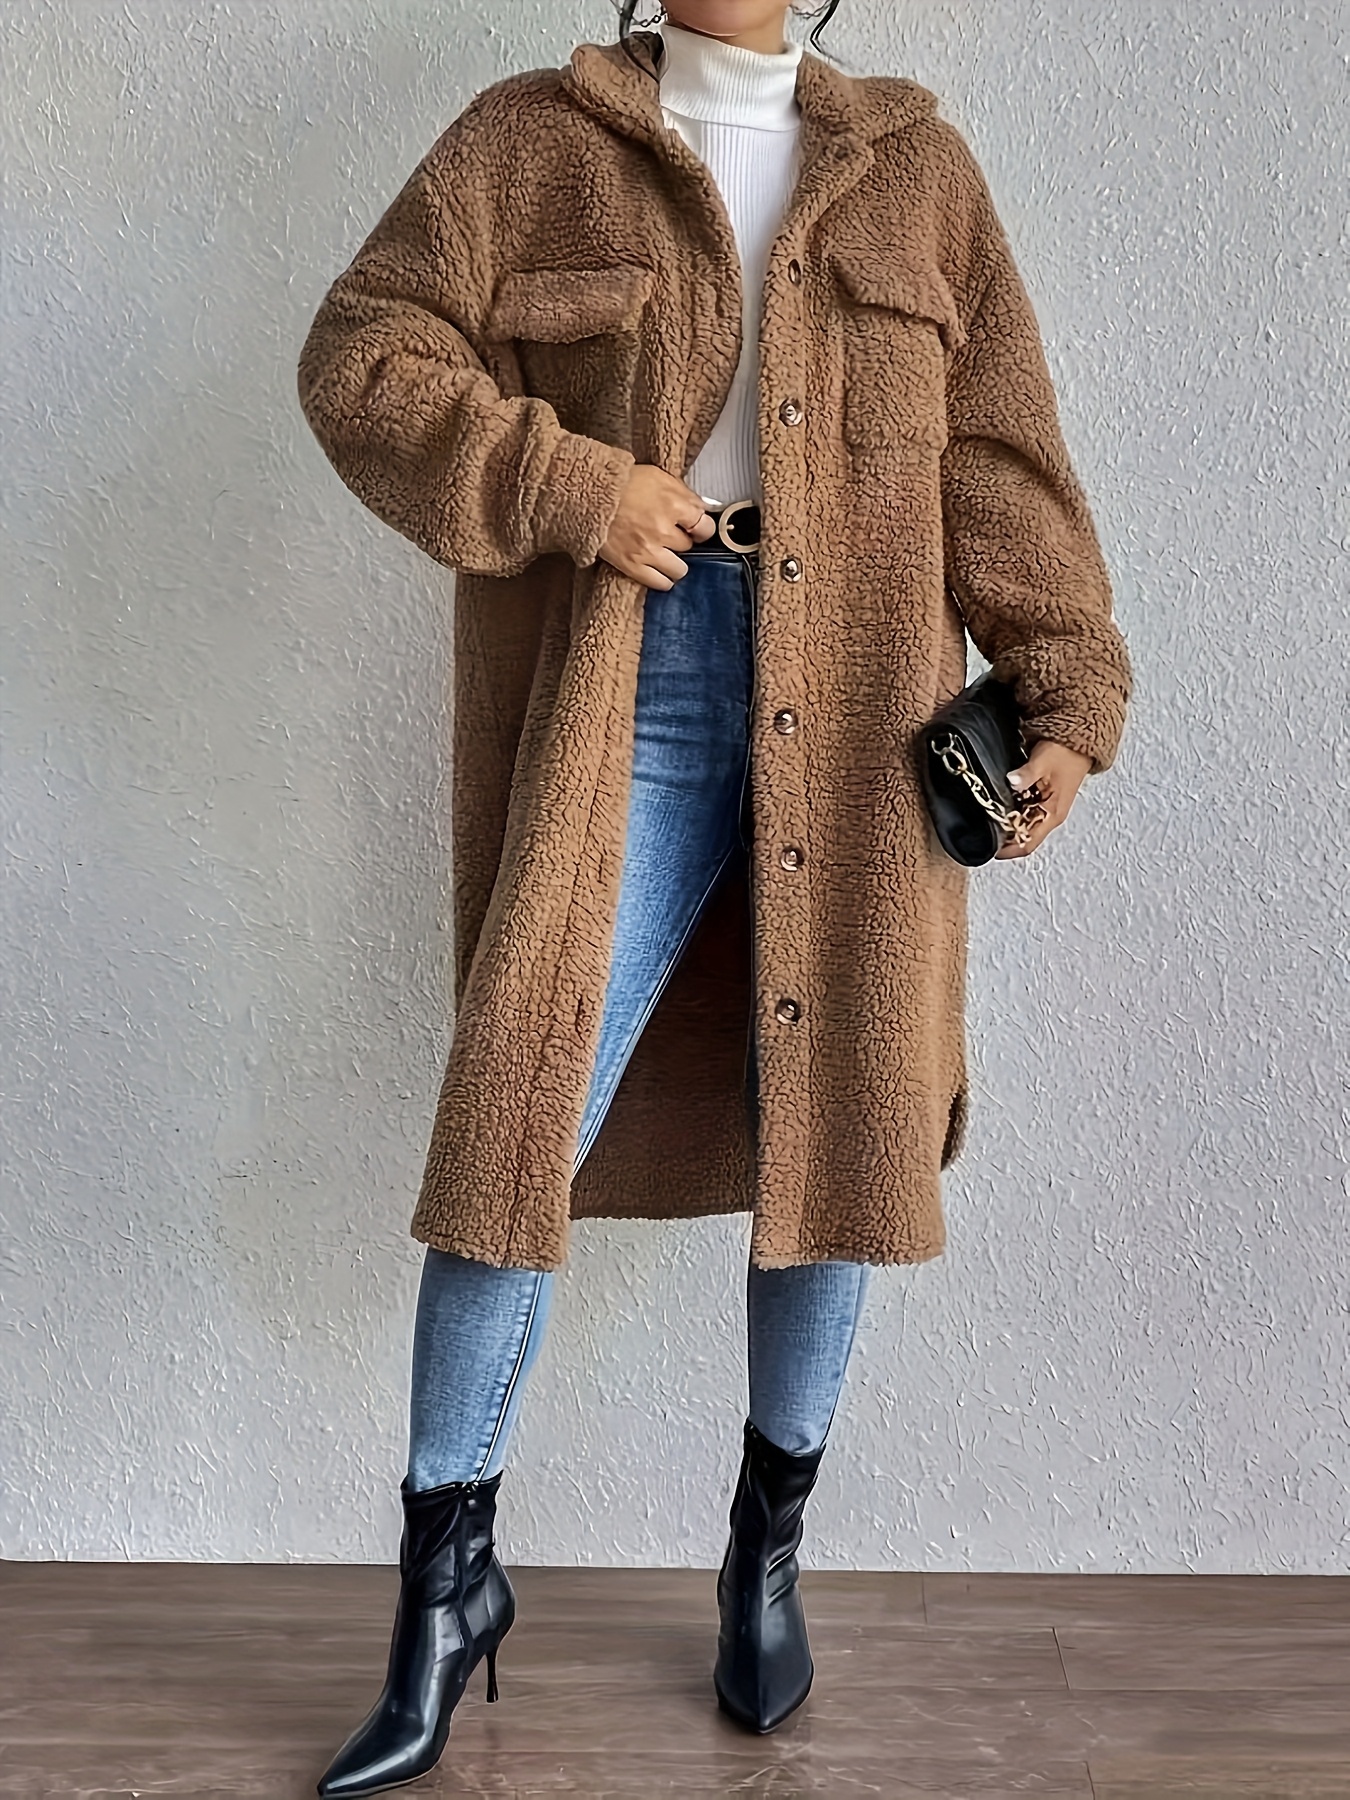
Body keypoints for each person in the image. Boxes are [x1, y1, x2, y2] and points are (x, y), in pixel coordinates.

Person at [296, 1, 1132, 1791]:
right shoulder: (526, 142)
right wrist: (572, 484)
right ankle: (443, 1590)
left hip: (867, 688)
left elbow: (996, 457)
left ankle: (767, 1550)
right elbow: (364, 359)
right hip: (636, 669)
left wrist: (1064, 686)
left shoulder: (915, 170)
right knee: (514, 1110)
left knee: (845, 1117)